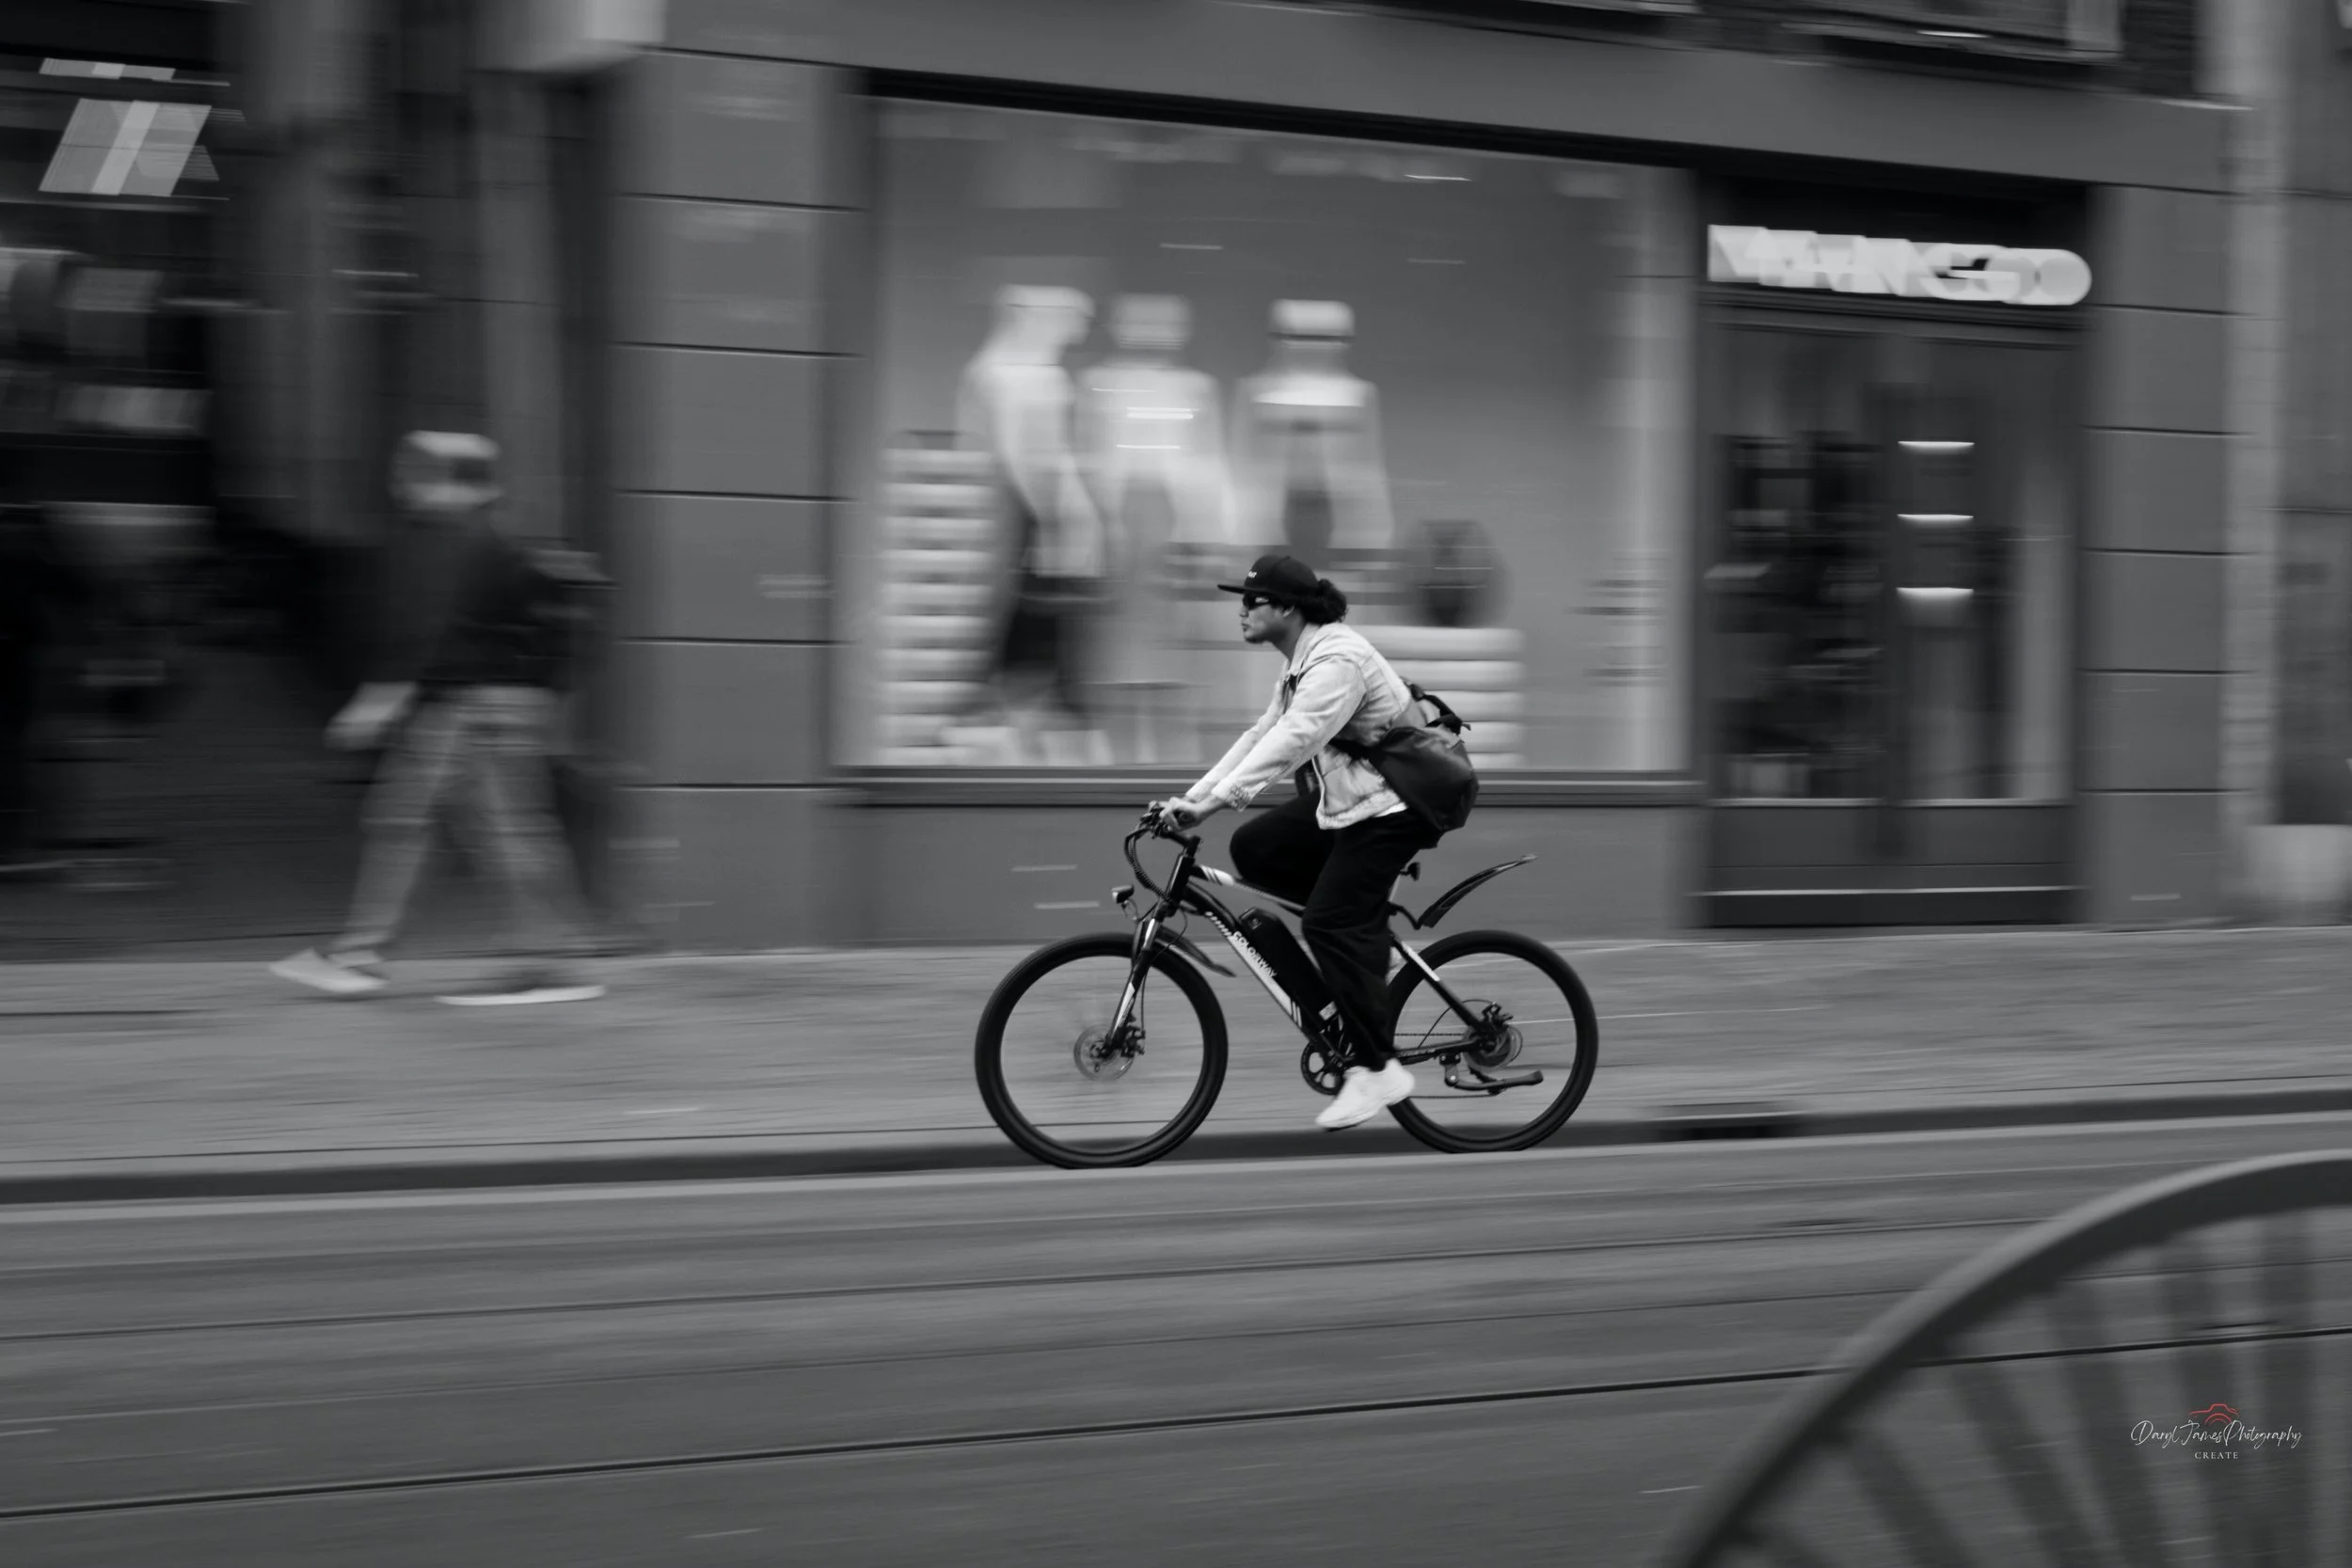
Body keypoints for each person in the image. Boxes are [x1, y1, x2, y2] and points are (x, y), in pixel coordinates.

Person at [270, 432, 605, 1005]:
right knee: (495, 831)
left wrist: (382, 697)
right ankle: (543, 957)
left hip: (468, 708)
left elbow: (431, 627)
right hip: (494, 707)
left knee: (414, 824)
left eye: (417, 475)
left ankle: (366, 953)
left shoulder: (455, 542)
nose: (405, 487)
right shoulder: (494, 539)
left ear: (452, 483)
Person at [1152, 552, 1437, 1131]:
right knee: (1257, 849)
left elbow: (1295, 739)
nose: (1243, 610)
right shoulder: (1299, 661)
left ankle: (1378, 1071)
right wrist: (1192, 798)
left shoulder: (1338, 660)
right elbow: (1260, 734)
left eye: (1252, 601)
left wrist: (1208, 806)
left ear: (1288, 607)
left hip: (1397, 805)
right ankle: (1360, 930)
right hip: (1354, 801)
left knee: (1327, 922)